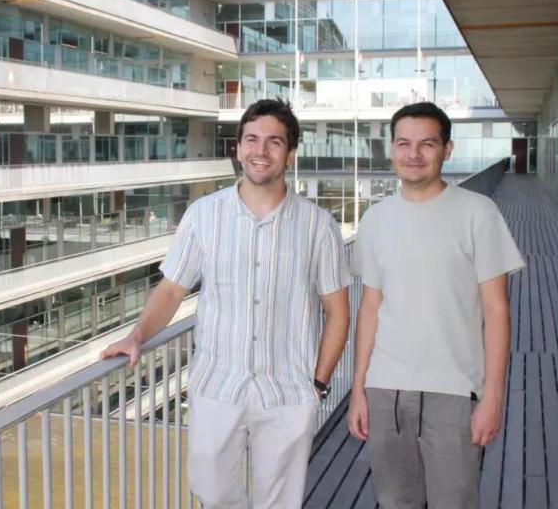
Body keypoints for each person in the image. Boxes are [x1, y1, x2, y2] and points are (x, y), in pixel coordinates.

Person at [101, 98, 352, 508]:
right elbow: (170, 291)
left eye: (274, 142)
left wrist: (319, 385)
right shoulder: (203, 216)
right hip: (218, 386)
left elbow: (338, 312)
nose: (261, 150)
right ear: (237, 148)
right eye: (251, 139)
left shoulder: (318, 226)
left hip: (288, 391)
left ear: (290, 153)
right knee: (213, 494)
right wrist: (136, 336)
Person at [347, 102, 525, 509]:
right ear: (391, 149)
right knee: (395, 502)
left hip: (455, 390)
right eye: (403, 143)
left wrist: (493, 397)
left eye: (427, 144)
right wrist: (358, 390)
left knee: (455, 502)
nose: (414, 154)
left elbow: (497, 311)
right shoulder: (375, 219)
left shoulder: (478, 213)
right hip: (386, 388)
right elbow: (370, 308)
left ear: (447, 150)